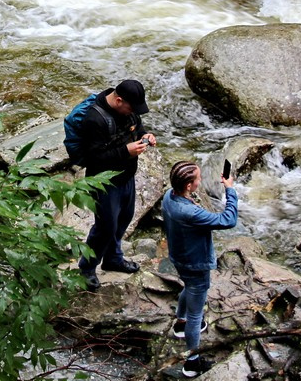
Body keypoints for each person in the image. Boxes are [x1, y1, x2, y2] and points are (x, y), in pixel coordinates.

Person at [78, 79, 157, 293]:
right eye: (132, 108)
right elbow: (93, 158)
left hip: (126, 177)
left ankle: (113, 258)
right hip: (103, 182)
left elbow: (137, 127)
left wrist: (145, 136)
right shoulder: (94, 119)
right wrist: (126, 151)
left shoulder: (129, 111)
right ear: (119, 100)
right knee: (105, 227)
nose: (134, 112)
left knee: (124, 218)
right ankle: (86, 268)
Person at [161, 160, 238, 378]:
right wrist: (230, 190)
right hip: (196, 263)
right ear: (188, 185)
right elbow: (228, 220)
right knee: (197, 314)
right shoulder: (189, 213)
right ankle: (192, 362)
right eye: (197, 178)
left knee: (189, 286)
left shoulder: (169, 196)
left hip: (179, 257)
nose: (200, 180)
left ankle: (180, 322)